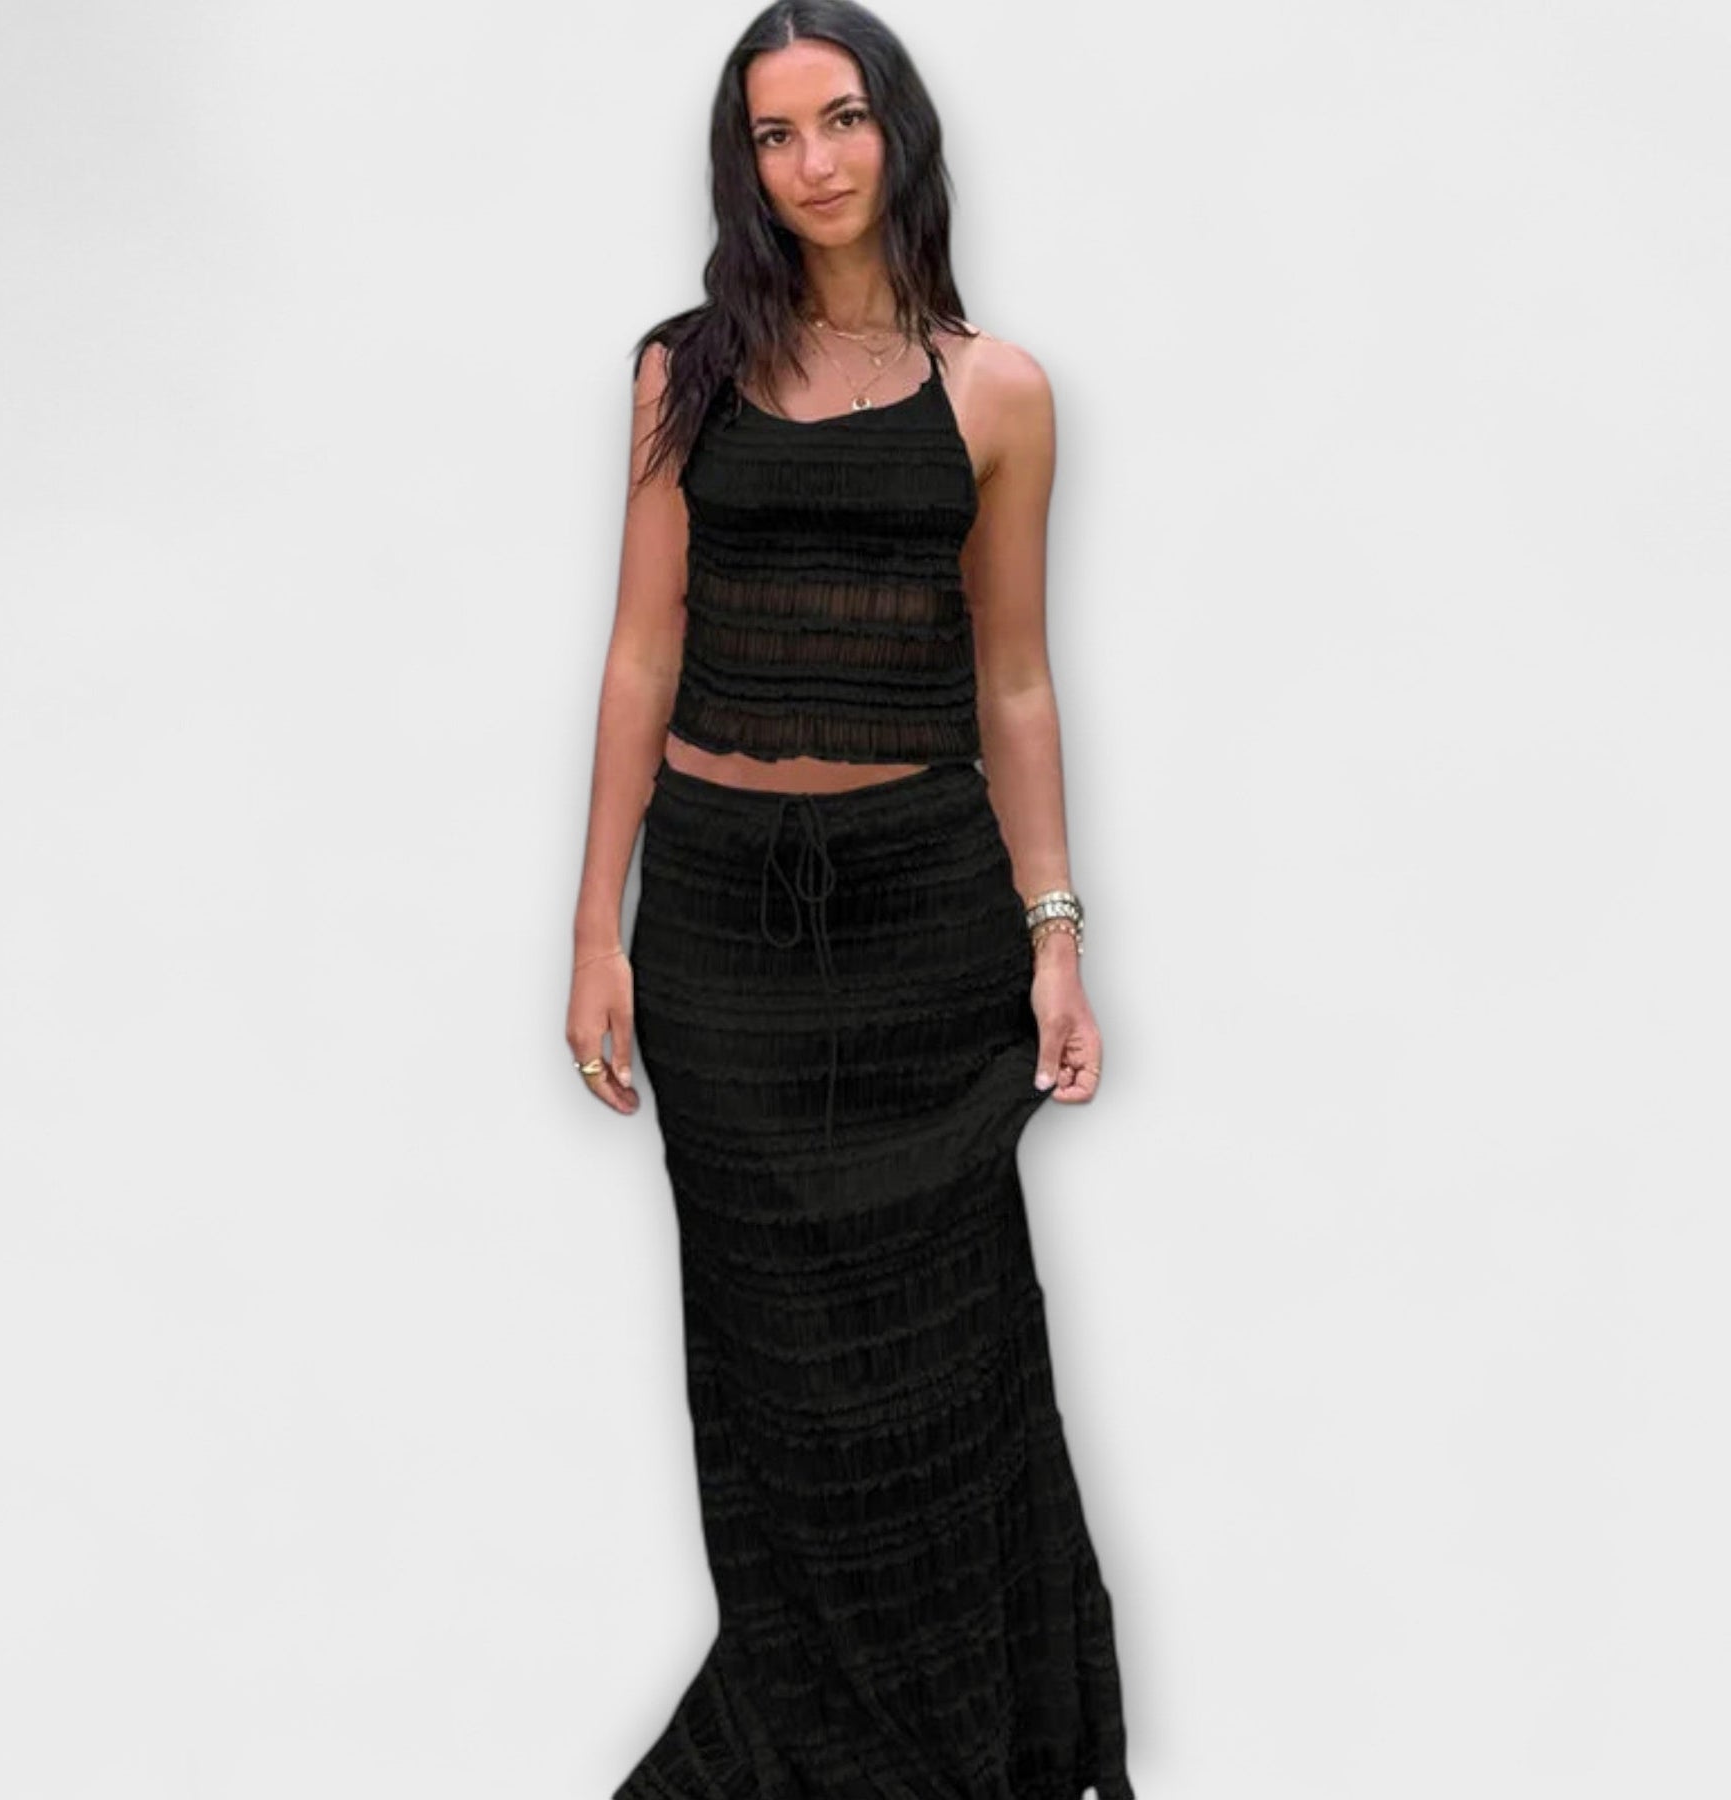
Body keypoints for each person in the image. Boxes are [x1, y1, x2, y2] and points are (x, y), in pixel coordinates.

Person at [566, 3, 1137, 1794]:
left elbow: (1015, 680)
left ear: (899, 131)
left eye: (840, 119)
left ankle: (966, 1756)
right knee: (776, 1381)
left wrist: (1057, 938)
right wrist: (594, 932)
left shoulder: (999, 392)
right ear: (741, 166)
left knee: (942, 1374)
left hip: (923, 929)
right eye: (773, 133)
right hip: (721, 934)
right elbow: (642, 651)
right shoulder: (683, 375)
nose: (811, 162)